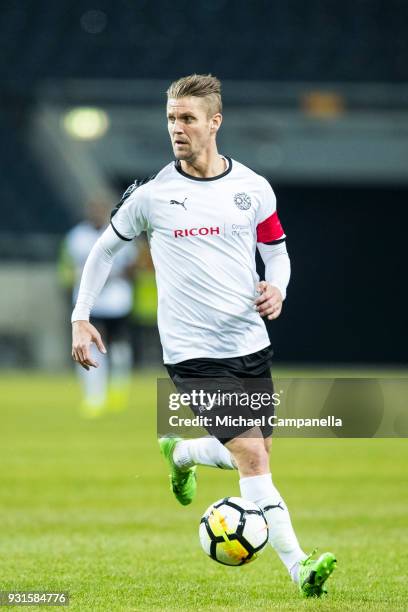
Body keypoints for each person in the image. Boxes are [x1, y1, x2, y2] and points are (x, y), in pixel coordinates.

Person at [71, 74, 336, 596]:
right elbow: (103, 251)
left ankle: (183, 454)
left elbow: (276, 252)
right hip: (192, 354)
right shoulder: (152, 196)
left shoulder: (252, 188)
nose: (177, 128)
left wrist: (277, 289)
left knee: (253, 450)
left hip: (249, 344)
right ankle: (300, 568)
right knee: (253, 458)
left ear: (214, 123)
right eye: (171, 118)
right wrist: (81, 315)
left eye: (188, 118)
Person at [61, 199, 138, 417]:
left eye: (99, 209)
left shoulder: (120, 232)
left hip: (117, 300)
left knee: (119, 347)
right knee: (91, 347)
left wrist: (114, 276)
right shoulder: (77, 236)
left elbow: (133, 266)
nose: (96, 212)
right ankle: (94, 396)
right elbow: (70, 267)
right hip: (90, 303)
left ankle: (118, 389)